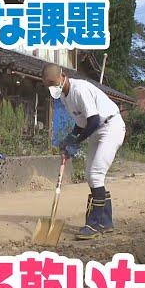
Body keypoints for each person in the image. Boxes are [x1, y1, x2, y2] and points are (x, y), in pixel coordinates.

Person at [42, 63, 126, 240]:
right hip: (96, 130)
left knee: (96, 174)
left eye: (52, 82)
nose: (51, 87)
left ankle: (94, 224)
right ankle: (106, 221)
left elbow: (94, 120)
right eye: (47, 84)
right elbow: (81, 124)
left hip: (110, 126)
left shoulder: (79, 89)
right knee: (90, 175)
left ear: (62, 76)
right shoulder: (64, 97)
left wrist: (75, 142)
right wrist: (69, 140)